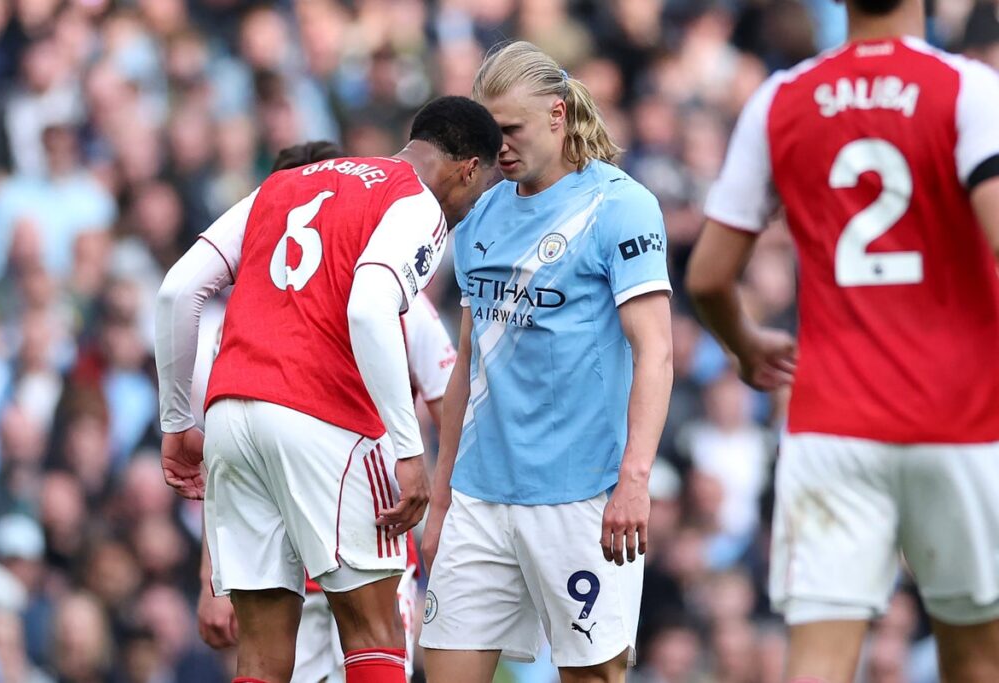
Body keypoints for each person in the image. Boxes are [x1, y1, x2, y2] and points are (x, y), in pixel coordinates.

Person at [685, 0, 999, 680]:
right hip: (960, 418)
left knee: (818, 667)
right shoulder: (968, 89)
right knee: (976, 661)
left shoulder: (781, 99)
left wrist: (746, 344)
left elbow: (708, 276)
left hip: (832, 424)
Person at [155, 96, 501, 683]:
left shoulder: (282, 184)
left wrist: (176, 422)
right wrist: (409, 451)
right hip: (325, 420)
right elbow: (369, 308)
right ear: (469, 168)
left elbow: (178, 290)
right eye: (483, 187)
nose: (474, 204)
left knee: (261, 654)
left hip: (231, 415)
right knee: (374, 632)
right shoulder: (414, 201)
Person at [419, 42, 674, 683]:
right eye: (489, 131)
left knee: (593, 675)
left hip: (580, 496)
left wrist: (635, 479)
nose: (497, 147)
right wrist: (443, 496)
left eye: (512, 130)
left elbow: (657, 351)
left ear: (558, 115)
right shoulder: (478, 210)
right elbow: (468, 362)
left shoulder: (621, 207)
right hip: (480, 493)